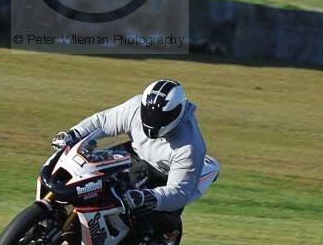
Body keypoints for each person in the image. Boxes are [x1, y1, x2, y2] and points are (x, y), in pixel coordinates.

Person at [51, 79, 209, 233]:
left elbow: (180, 191)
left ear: (178, 113)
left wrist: (148, 198)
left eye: (160, 117)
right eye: (148, 113)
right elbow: (103, 122)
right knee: (84, 171)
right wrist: (73, 134)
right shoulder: (135, 107)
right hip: (132, 155)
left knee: (144, 224)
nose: (152, 119)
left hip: (162, 177)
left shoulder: (189, 146)